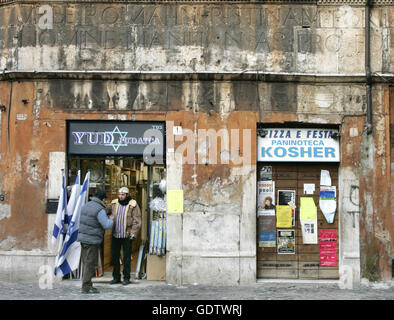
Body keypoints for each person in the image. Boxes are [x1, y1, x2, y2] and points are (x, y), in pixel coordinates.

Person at [77, 189, 114, 294]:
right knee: (90, 264)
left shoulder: (86, 205)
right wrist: (111, 218)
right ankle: (86, 288)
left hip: (83, 238)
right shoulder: (99, 209)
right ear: (102, 199)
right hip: (92, 240)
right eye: (104, 200)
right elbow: (106, 224)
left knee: (86, 263)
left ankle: (88, 285)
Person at [107, 187, 141, 285]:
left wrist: (133, 233)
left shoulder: (133, 204)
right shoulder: (114, 203)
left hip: (127, 235)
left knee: (126, 258)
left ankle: (126, 278)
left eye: (122, 194)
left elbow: (137, 221)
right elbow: (105, 211)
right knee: (115, 257)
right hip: (115, 234)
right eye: (119, 194)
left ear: (127, 195)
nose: (120, 196)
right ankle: (116, 277)